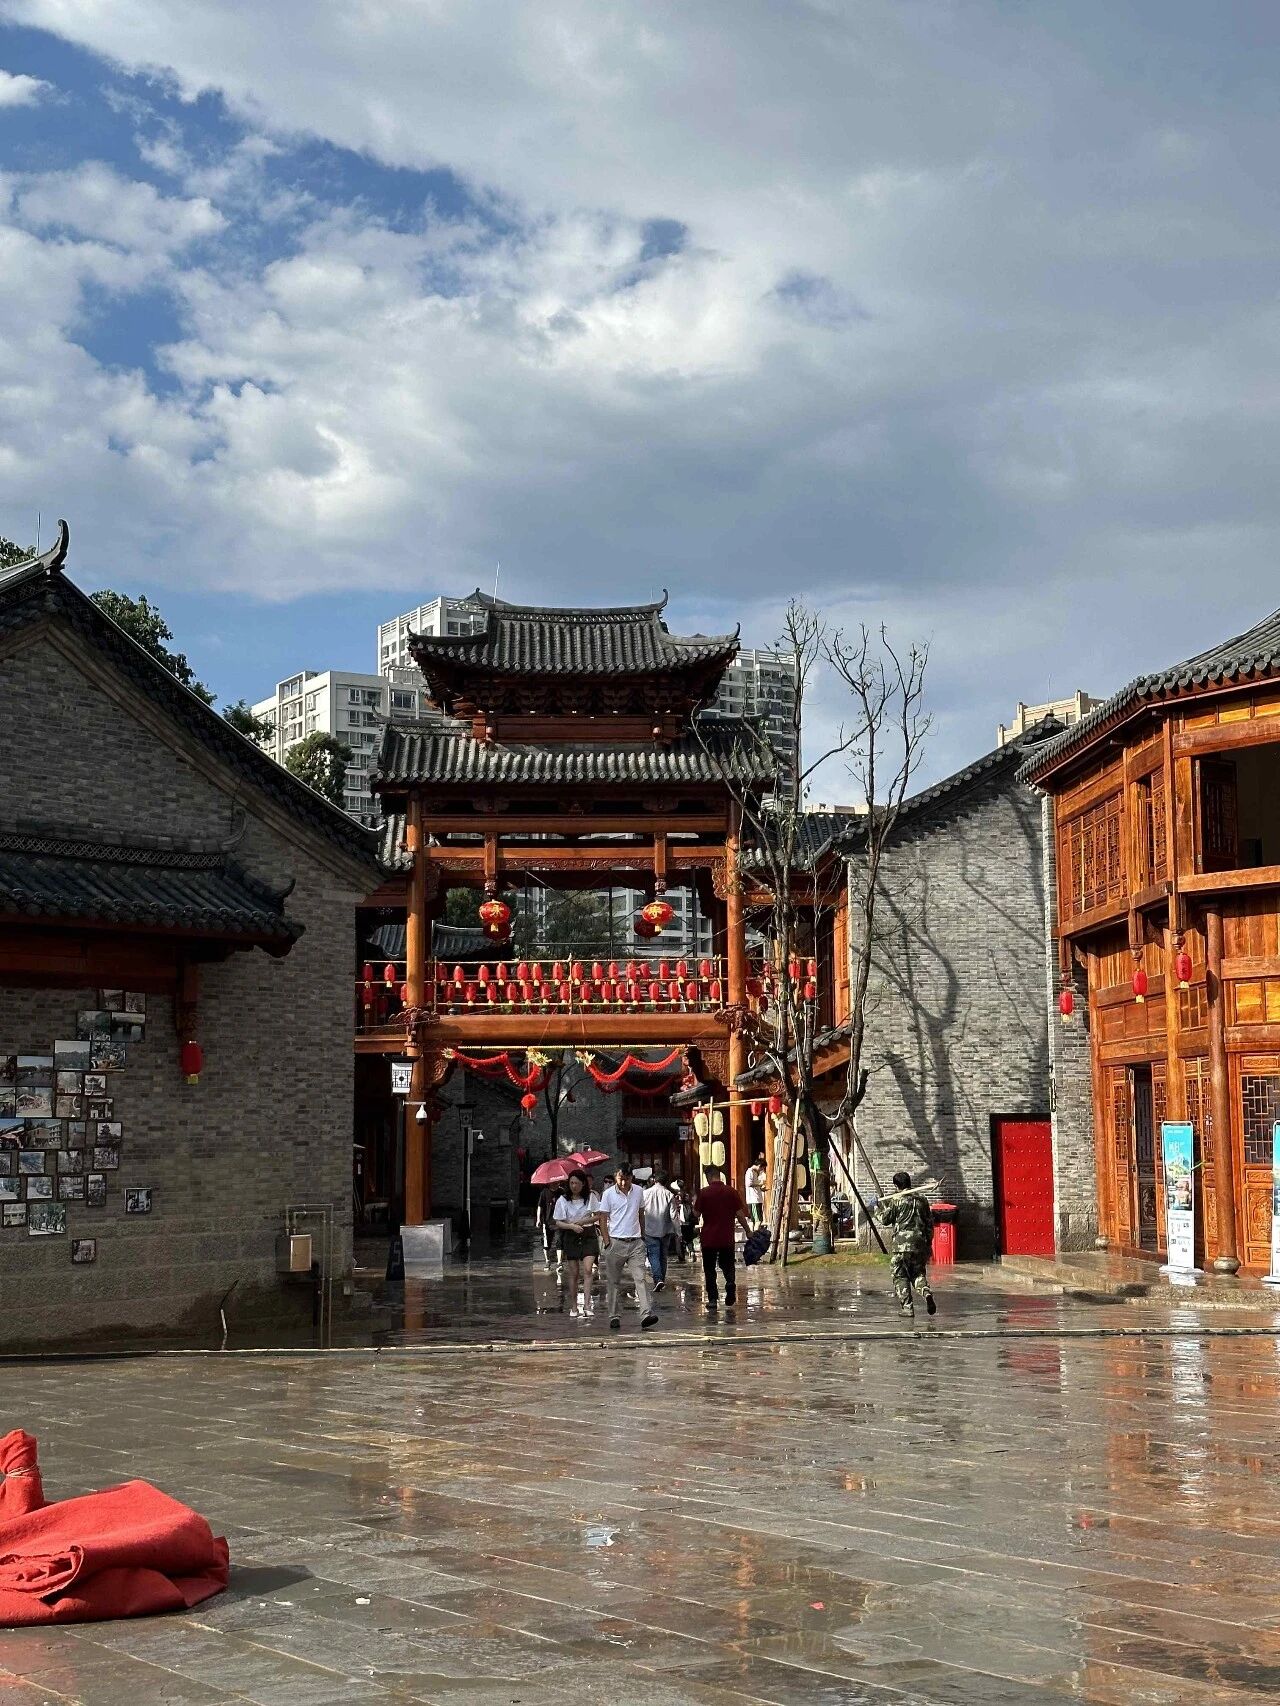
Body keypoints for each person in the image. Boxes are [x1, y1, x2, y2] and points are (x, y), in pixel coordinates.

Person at [596, 1162, 658, 1331]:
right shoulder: (608, 1194)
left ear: (632, 1177)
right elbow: (603, 1218)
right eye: (620, 1179)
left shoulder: (638, 1191)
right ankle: (614, 1315)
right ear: (616, 1177)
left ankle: (646, 1314)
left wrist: (643, 1235)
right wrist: (607, 1241)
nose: (623, 1182)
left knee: (641, 1278)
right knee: (613, 1281)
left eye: (627, 1179)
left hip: (636, 1242)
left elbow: (641, 1213)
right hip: (615, 1242)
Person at [872, 1171, 936, 1319]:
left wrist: (875, 1207)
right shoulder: (922, 1200)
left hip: (901, 1245)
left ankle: (907, 1307)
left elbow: (885, 1219)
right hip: (919, 1244)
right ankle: (926, 1292)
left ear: (896, 1186)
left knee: (900, 1275)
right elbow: (929, 1224)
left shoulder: (897, 1200)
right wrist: (928, 1243)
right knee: (918, 1273)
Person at [692, 1165, 751, 1312]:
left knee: (709, 1269)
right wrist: (748, 1231)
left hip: (709, 1238)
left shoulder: (704, 1193)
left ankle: (713, 1299)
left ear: (708, 1177)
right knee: (728, 1265)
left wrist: (694, 1203)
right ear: (719, 1175)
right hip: (726, 1236)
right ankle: (730, 1282)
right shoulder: (731, 1192)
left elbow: (696, 1214)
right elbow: (740, 1214)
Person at [553, 1168, 600, 1318]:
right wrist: (572, 1226)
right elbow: (558, 1221)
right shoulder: (563, 1200)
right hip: (571, 1235)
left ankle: (587, 1305)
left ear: (583, 1184)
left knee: (588, 1269)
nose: (574, 1186)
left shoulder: (590, 1197)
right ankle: (574, 1306)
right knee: (574, 1273)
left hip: (588, 1234)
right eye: (571, 1183)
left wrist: (583, 1221)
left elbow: (598, 1215)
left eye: (577, 1183)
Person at [642, 1169, 676, 1292]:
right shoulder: (669, 1194)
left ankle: (658, 1279)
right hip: (666, 1229)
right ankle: (661, 1279)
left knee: (653, 1255)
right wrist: (678, 1232)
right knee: (663, 1256)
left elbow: (640, 1211)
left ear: (654, 1180)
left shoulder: (645, 1193)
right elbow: (674, 1215)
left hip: (649, 1229)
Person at [535, 1179, 565, 1270]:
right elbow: (540, 1206)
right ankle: (547, 1261)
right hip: (547, 1221)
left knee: (559, 1241)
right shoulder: (544, 1192)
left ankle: (559, 1262)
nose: (556, 1184)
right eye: (554, 1182)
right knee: (546, 1242)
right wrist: (538, 1219)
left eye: (558, 1182)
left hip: (559, 1221)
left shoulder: (562, 1192)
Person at [744, 1156, 767, 1227]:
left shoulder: (755, 1172)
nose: (761, 1170)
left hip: (757, 1198)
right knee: (758, 1220)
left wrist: (761, 1188)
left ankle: (754, 1232)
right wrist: (760, 1184)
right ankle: (755, 1233)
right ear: (759, 1166)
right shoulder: (750, 1172)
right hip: (753, 1199)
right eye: (762, 1168)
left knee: (756, 1220)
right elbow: (749, 1184)